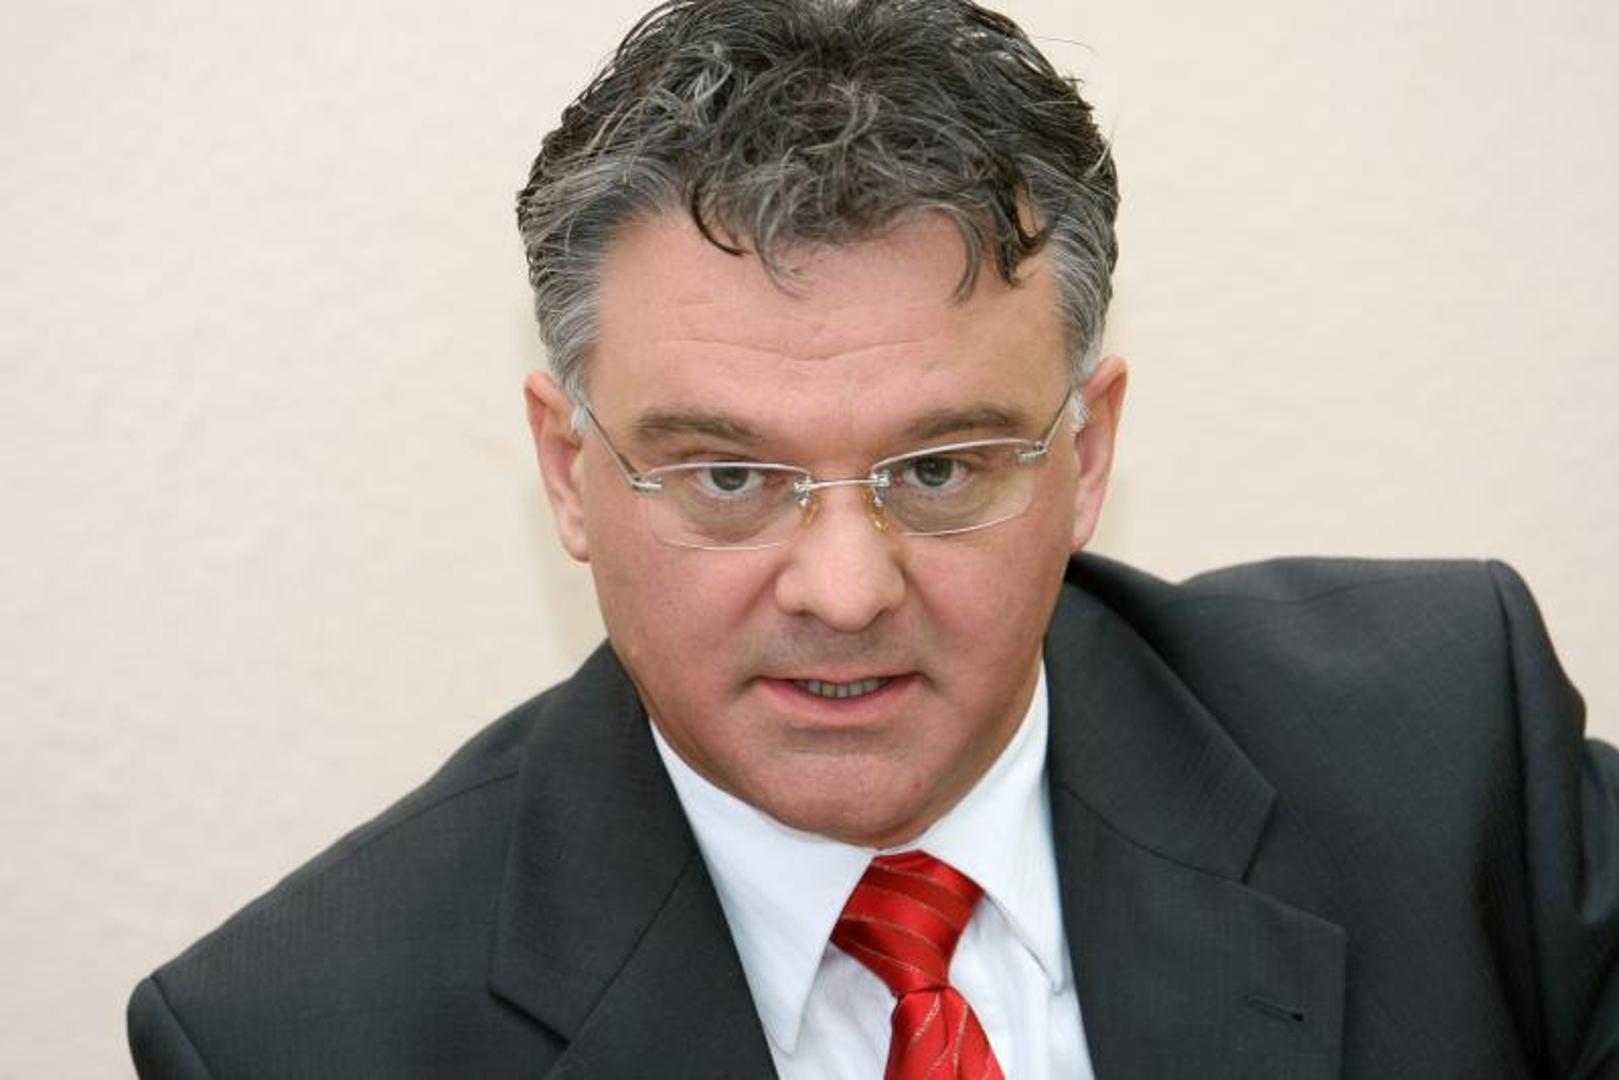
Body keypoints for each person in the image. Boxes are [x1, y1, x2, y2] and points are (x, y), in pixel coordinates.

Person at [127, 1, 1618, 1076]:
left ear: (1086, 455)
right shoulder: (298, 1036)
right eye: (728, 477)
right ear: (570, 475)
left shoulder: (1449, 759)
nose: (844, 592)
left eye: (941, 468)